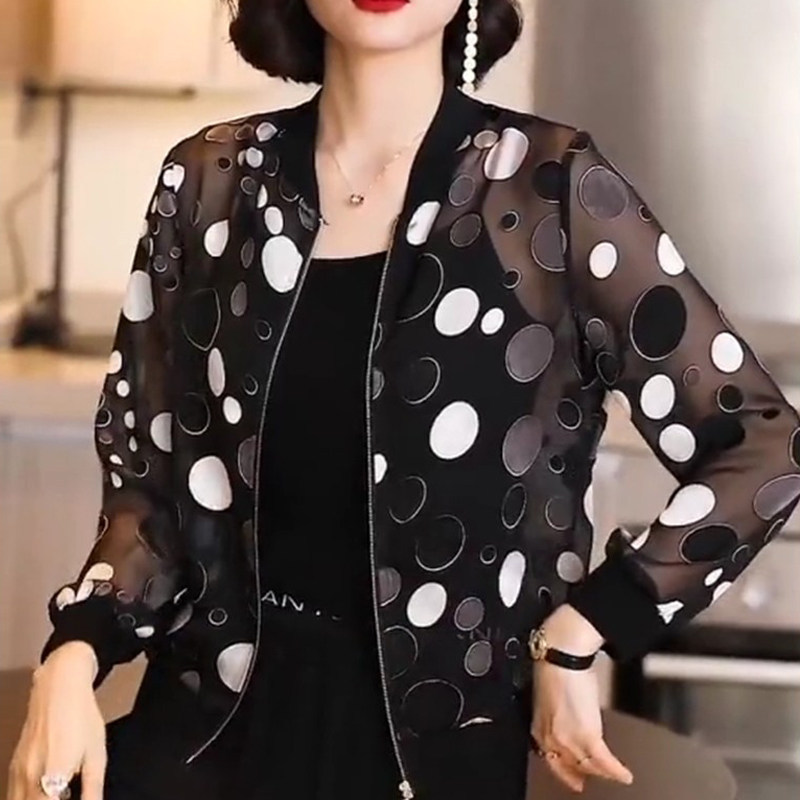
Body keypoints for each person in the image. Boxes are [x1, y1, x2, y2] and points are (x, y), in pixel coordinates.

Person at [8, 0, 800, 798]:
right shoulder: (210, 181)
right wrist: (71, 659)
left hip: (435, 754)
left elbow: (764, 444)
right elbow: (149, 493)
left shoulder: (548, 189)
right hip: (206, 729)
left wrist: (583, 628)